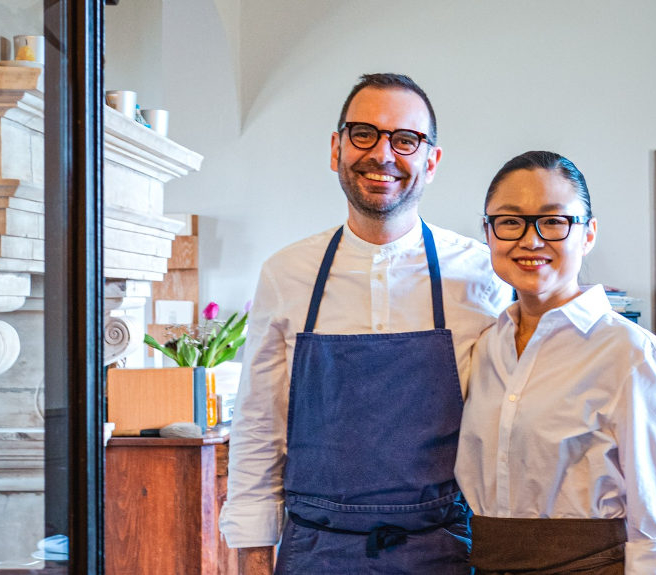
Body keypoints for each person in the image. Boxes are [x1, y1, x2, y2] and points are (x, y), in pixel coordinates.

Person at [219, 73, 512, 574]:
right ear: (336, 149)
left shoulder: (482, 275)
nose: (383, 154)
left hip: (443, 551)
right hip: (316, 553)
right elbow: (259, 426)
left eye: (405, 139)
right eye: (364, 134)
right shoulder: (287, 274)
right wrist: (251, 557)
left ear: (431, 161)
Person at [455, 151, 656, 574]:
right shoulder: (485, 346)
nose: (530, 240)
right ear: (488, 233)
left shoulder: (630, 353)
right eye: (510, 221)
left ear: (588, 234)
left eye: (554, 220)